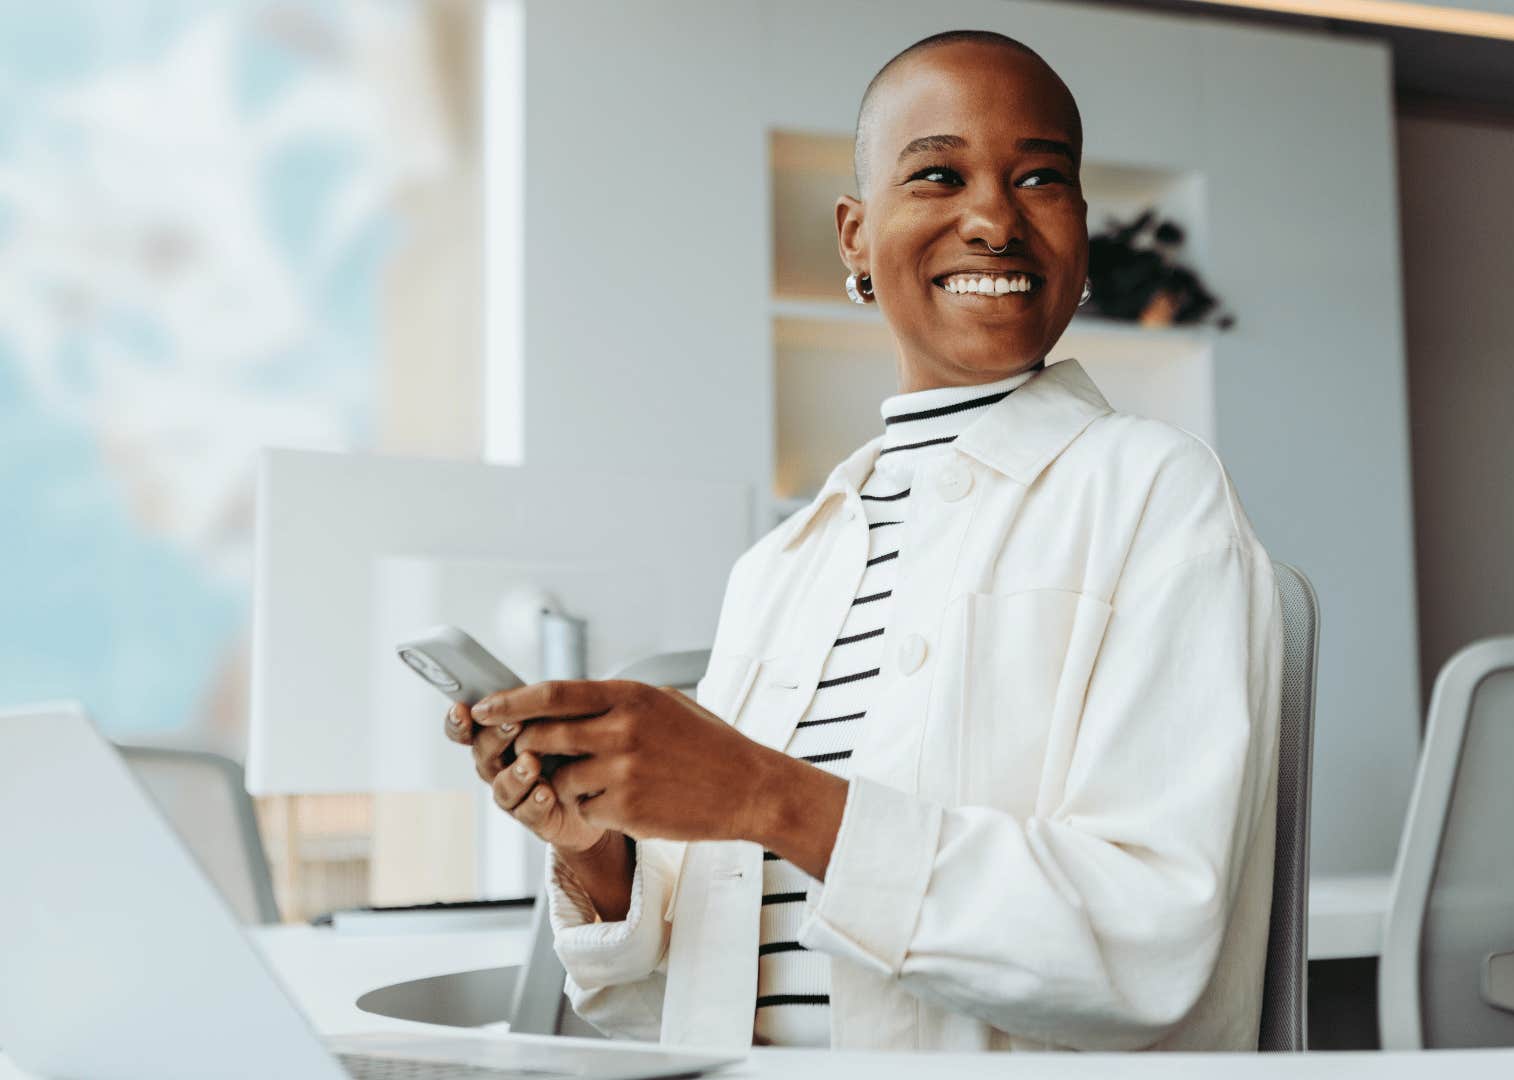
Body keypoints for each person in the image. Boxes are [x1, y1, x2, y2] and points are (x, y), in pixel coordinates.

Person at [446, 29, 1284, 1052]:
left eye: (1041, 179)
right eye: (937, 174)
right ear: (854, 234)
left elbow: (1152, 942)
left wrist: (765, 794)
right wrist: (599, 856)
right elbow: (676, 1006)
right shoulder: (778, 571)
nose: (993, 218)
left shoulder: (1154, 490)